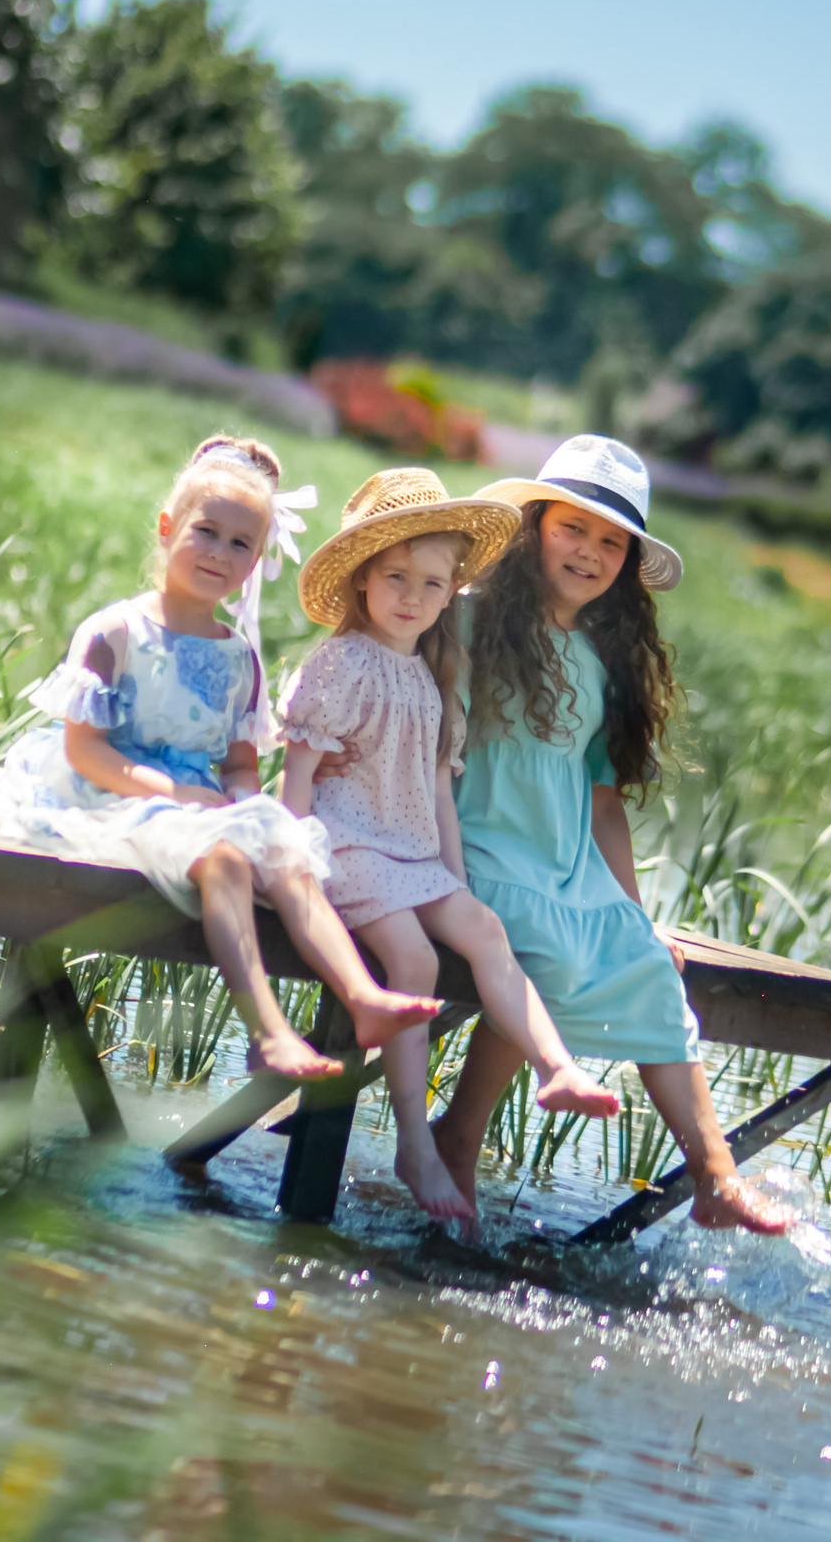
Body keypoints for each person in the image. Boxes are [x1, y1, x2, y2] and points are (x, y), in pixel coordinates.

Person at [0, 434, 443, 1081]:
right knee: (223, 857)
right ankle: (269, 1032)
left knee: (285, 850)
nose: (221, 553)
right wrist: (173, 795)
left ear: (256, 561)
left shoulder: (238, 657)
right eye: (207, 532)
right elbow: (83, 750)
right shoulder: (116, 632)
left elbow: (239, 766)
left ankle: (362, 996)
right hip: (117, 792)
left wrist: (253, 809)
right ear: (168, 528)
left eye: (240, 544)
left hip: (200, 801)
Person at [426, 435, 793, 1235]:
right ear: (532, 528)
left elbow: (601, 805)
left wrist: (633, 912)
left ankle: (716, 1176)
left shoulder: (599, 663)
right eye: (572, 529)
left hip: (563, 862)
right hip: (474, 847)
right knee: (545, 949)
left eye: (611, 542)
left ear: (627, 562)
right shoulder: (465, 618)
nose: (590, 552)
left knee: (653, 973)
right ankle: (459, 1133)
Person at [279, 469, 622, 1229]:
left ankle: (556, 1066)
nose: (412, 596)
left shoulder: (433, 674)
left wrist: (455, 883)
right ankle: (413, 1141)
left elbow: (438, 784)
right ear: (363, 578)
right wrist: (291, 857)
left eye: (432, 584)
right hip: (350, 843)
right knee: (416, 959)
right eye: (395, 577)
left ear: (450, 593)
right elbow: (297, 772)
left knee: (486, 932)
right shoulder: (339, 664)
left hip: (411, 852)